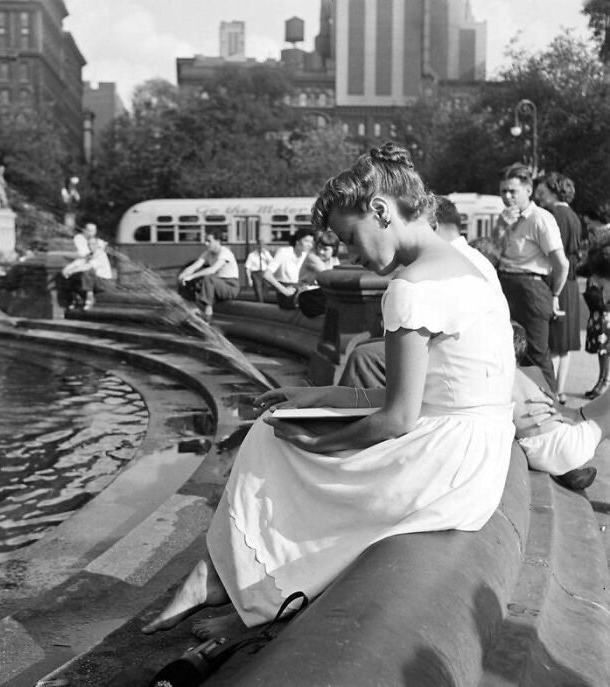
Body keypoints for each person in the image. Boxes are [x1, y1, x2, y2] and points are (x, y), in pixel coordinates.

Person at [142, 143, 516, 640]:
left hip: (443, 461)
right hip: (479, 451)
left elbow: (396, 420)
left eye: (349, 238)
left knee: (270, 441)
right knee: (284, 431)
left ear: (381, 211)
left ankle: (217, 581)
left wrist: (321, 442)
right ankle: (238, 592)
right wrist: (318, 398)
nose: (349, 254)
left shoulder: (411, 289)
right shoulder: (472, 262)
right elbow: (419, 398)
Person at [338, 195, 502, 388]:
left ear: (433, 224)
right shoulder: (468, 260)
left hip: (465, 378)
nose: (352, 257)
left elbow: (401, 416)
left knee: (363, 357)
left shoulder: (416, 280)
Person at [494, 163, 568, 392]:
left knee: (536, 353)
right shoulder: (504, 218)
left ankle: (552, 412)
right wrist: (500, 228)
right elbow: (493, 252)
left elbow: (561, 264)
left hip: (531, 288)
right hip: (505, 284)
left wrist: (554, 294)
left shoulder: (540, 218)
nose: (507, 196)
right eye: (503, 191)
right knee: (507, 350)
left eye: (512, 191)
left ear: (528, 191)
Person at [511, 321, 598, 489]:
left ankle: (565, 469)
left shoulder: (496, 376)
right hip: (560, 441)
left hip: (533, 451)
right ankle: (566, 469)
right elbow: (553, 404)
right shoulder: (534, 371)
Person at [534, 173, 583, 405]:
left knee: (553, 343)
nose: (539, 197)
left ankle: (550, 392)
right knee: (565, 346)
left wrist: (552, 291)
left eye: (543, 192)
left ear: (554, 190)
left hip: (558, 283)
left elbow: (554, 256)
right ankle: (560, 390)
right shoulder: (573, 216)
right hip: (571, 284)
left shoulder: (554, 215)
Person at [177, 227, 240, 321]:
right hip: (216, 285)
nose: (206, 243)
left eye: (209, 241)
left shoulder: (225, 253)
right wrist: (183, 275)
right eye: (206, 241)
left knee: (208, 278)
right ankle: (193, 309)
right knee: (190, 282)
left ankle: (208, 315)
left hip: (230, 287)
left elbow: (212, 270)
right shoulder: (207, 253)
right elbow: (195, 266)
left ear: (217, 241)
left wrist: (191, 276)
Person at [578, 236, 610, 399]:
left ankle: (605, 380)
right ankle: (602, 380)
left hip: (605, 317)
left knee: (605, 349)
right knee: (602, 349)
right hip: (599, 314)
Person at [62, 223, 112, 309]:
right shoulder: (88, 254)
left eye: (93, 245)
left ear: (97, 245)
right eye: (89, 245)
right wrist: (66, 270)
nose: (90, 246)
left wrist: (72, 271)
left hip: (103, 282)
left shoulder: (100, 254)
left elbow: (87, 266)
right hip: (94, 281)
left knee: (86, 271)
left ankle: (90, 297)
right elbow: (78, 263)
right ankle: (75, 298)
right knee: (74, 276)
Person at [261, 227, 314, 309]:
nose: (309, 244)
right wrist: (284, 290)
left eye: (311, 242)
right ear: (297, 241)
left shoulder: (307, 255)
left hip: (301, 291)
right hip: (286, 295)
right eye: (306, 241)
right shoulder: (284, 252)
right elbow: (267, 275)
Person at [295, 229, 341, 318]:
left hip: (320, 294)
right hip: (308, 296)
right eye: (319, 247)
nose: (321, 252)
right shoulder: (312, 257)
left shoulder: (334, 259)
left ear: (334, 249)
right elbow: (328, 275)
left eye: (325, 249)